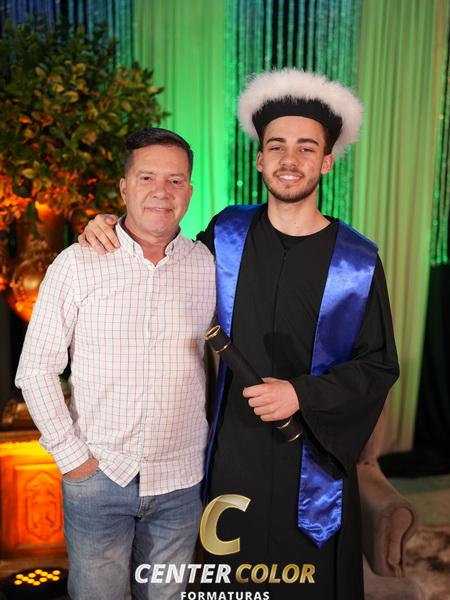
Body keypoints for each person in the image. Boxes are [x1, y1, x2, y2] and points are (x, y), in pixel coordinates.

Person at [79, 69, 399, 600]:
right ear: (259, 159)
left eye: (306, 147)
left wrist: (300, 393)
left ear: (326, 161)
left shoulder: (357, 262)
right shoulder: (226, 234)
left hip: (311, 462)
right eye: (276, 146)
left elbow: (378, 365)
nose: (289, 159)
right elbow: (162, 259)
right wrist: (109, 222)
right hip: (231, 458)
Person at [16, 127, 216, 600]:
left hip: (181, 481)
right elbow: (36, 370)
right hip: (99, 476)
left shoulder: (208, 266)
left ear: (189, 191)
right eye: (147, 178)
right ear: (124, 187)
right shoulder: (78, 263)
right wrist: (75, 461)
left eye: (175, 180)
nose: (162, 191)